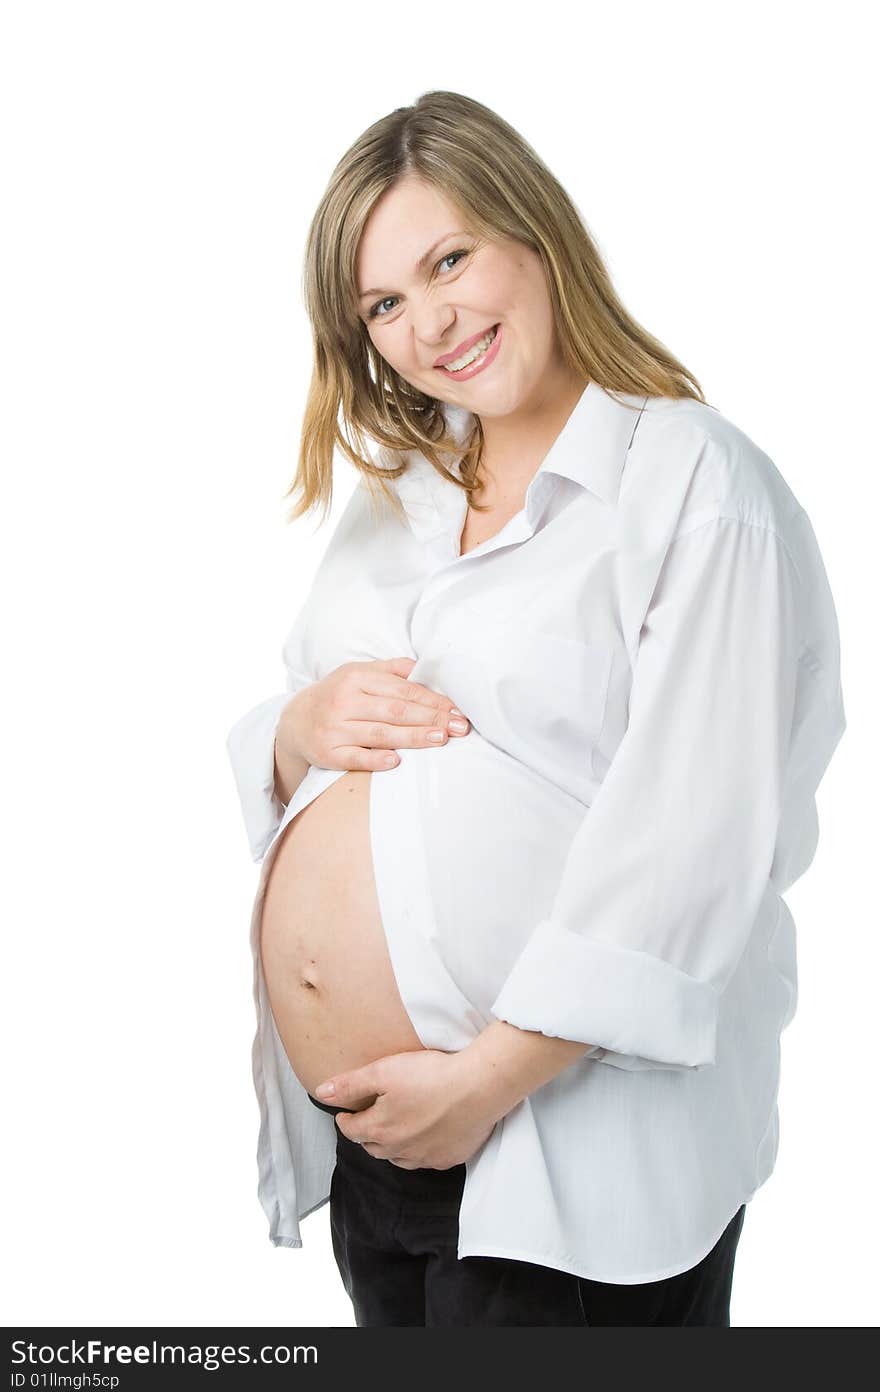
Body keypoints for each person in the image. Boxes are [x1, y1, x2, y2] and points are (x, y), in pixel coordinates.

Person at [225, 90, 846, 1326]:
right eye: (384, 305)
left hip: (565, 1154)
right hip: (379, 1151)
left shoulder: (690, 484)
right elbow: (311, 732)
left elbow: (694, 841)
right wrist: (295, 731)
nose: (429, 322)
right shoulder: (394, 494)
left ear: (531, 228)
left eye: (448, 258)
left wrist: (488, 1077)